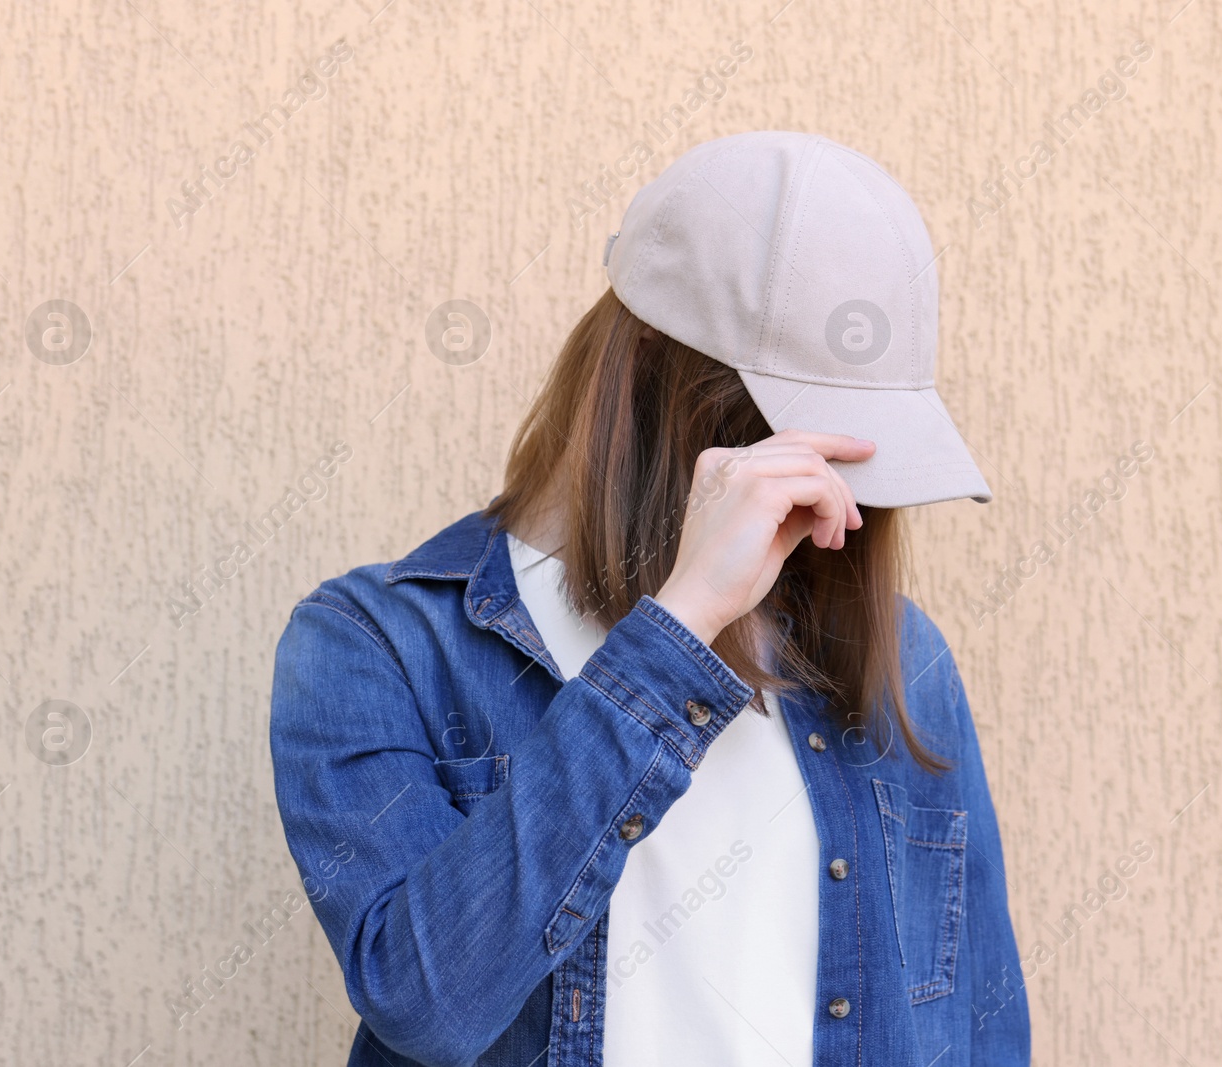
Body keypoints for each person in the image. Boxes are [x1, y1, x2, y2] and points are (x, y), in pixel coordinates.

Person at [270, 130, 1029, 1067]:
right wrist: (675, 632)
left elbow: (981, 1030)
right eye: (803, 449)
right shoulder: (373, 645)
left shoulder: (903, 661)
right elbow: (428, 1004)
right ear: (679, 396)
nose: (841, 502)